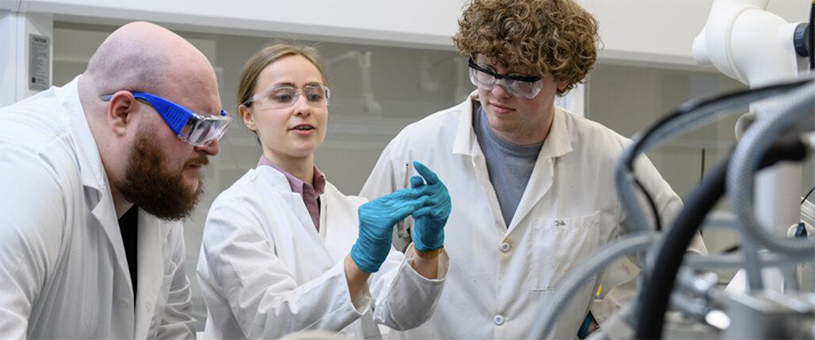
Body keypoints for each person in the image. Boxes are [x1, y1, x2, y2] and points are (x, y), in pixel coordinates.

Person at [360, 0, 707, 339]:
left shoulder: (610, 159)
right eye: (486, 70)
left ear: (562, 79)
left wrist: (611, 319)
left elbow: (686, 260)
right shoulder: (417, 146)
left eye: (521, 79)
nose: (497, 91)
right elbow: (358, 259)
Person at [197, 44, 451, 340]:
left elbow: (402, 312)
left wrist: (426, 250)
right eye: (283, 96)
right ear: (248, 116)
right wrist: (358, 263)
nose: (303, 107)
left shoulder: (354, 210)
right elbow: (271, 325)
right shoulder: (235, 213)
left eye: (315, 95)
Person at [0, 22, 230, 340]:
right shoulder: (25, 172)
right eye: (193, 125)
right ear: (122, 112)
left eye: (216, 127)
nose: (212, 147)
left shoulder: (152, 185)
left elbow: (170, 329)